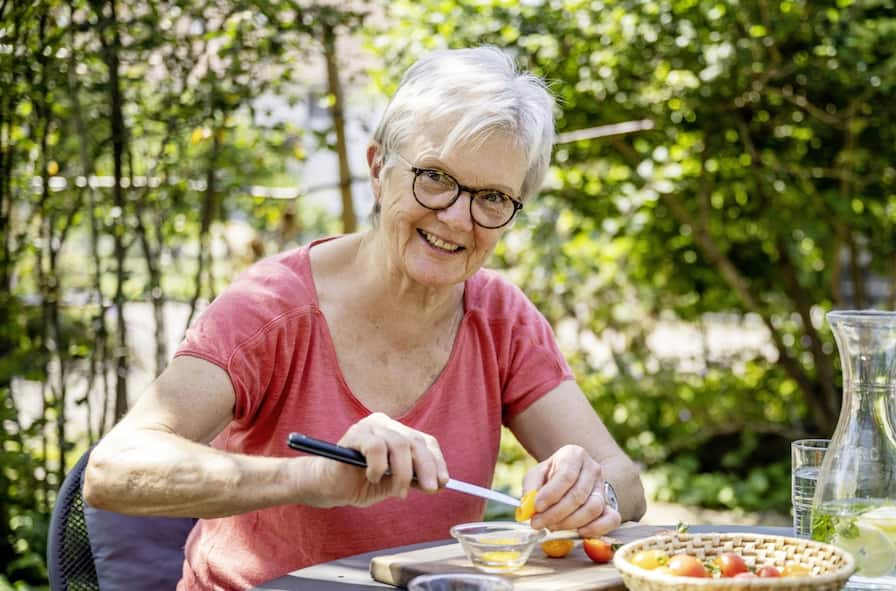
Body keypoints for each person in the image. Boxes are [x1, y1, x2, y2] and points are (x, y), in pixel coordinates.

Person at [83, 46, 646, 590]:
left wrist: (589, 491)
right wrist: (315, 479)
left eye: (493, 198)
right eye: (435, 178)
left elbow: (624, 482)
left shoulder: (499, 318)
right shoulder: (272, 306)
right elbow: (114, 471)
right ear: (379, 167)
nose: (456, 218)